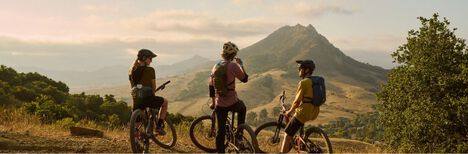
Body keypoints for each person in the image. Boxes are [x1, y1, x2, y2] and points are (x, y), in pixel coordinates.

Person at [208, 41, 249, 153]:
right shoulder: (233, 65)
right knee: (243, 107)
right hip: (232, 102)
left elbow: (211, 86)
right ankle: (239, 135)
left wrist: (213, 102)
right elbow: (245, 79)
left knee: (220, 131)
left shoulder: (215, 66)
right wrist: (241, 65)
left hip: (219, 103)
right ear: (234, 55)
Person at [280, 60, 320, 152]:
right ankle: (302, 142)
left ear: (306, 70)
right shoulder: (315, 82)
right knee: (298, 125)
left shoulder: (303, 82)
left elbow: (297, 102)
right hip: (314, 112)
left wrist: (288, 112)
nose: (299, 70)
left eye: (300, 68)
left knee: (287, 135)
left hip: (303, 113)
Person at [129, 49, 169, 134]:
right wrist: (153, 94)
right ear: (144, 58)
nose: (151, 61)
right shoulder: (150, 70)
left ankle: (136, 140)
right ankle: (159, 126)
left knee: (138, 120)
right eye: (150, 59)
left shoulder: (131, 71)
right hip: (147, 97)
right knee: (165, 102)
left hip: (136, 98)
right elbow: (153, 86)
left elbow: (133, 86)